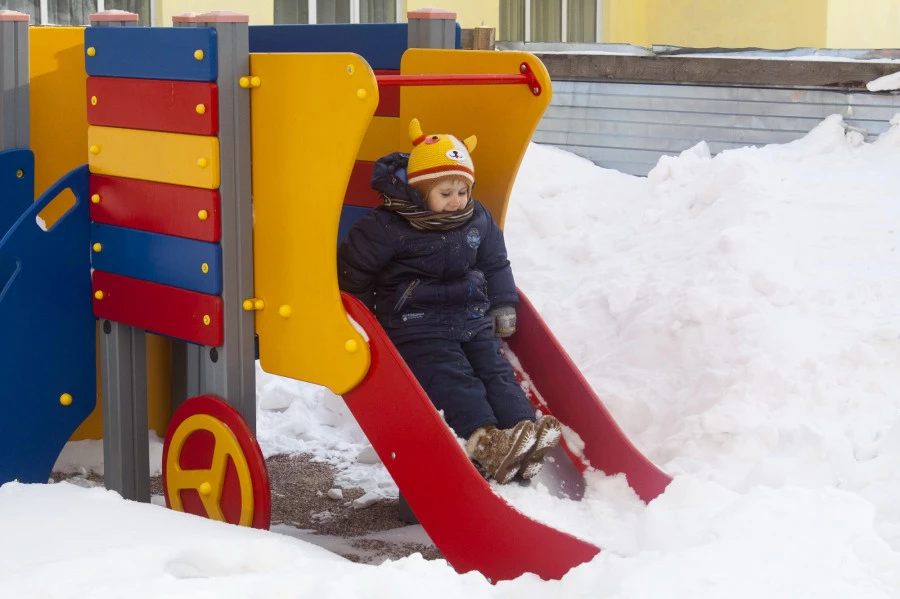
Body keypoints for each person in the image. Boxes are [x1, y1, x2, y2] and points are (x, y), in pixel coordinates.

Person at [337, 118, 561, 484]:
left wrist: (502, 303)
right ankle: (485, 442)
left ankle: (523, 432)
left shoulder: (477, 219)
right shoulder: (387, 226)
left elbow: (494, 263)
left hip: (470, 318)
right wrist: (365, 320)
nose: (457, 201)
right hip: (417, 324)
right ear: (420, 191)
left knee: (495, 370)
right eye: (445, 193)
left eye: (462, 191)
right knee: (455, 379)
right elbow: (353, 270)